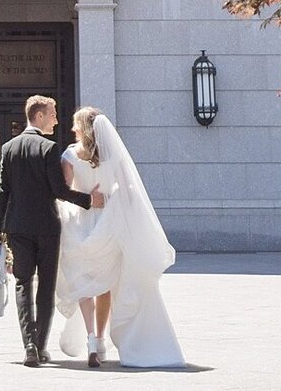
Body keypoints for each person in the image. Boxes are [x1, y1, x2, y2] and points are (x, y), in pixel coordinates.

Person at [55, 106, 185, 370]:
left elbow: (65, 192)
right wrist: (110, 200)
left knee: (83, 282)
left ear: (82, 127)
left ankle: (91, 339)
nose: (72, 129)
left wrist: (85, 201)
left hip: (79, 222)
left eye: (75, 125)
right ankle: (101, 340)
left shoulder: (69, 154)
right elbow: (128, 190)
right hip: (107, 223)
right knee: (104, 285)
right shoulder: (113, 156)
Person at [0, 93, 104, 368]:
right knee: (45, 287)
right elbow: (59, 191)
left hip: (18, 226)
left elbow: (3, 190)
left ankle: (29, 344)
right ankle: (40, 347)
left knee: (22, 283)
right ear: (39, 115)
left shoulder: (8, 148)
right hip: (47, 228)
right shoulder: (48, 148)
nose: (56, 119)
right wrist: (89, 200)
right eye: (52, 114)